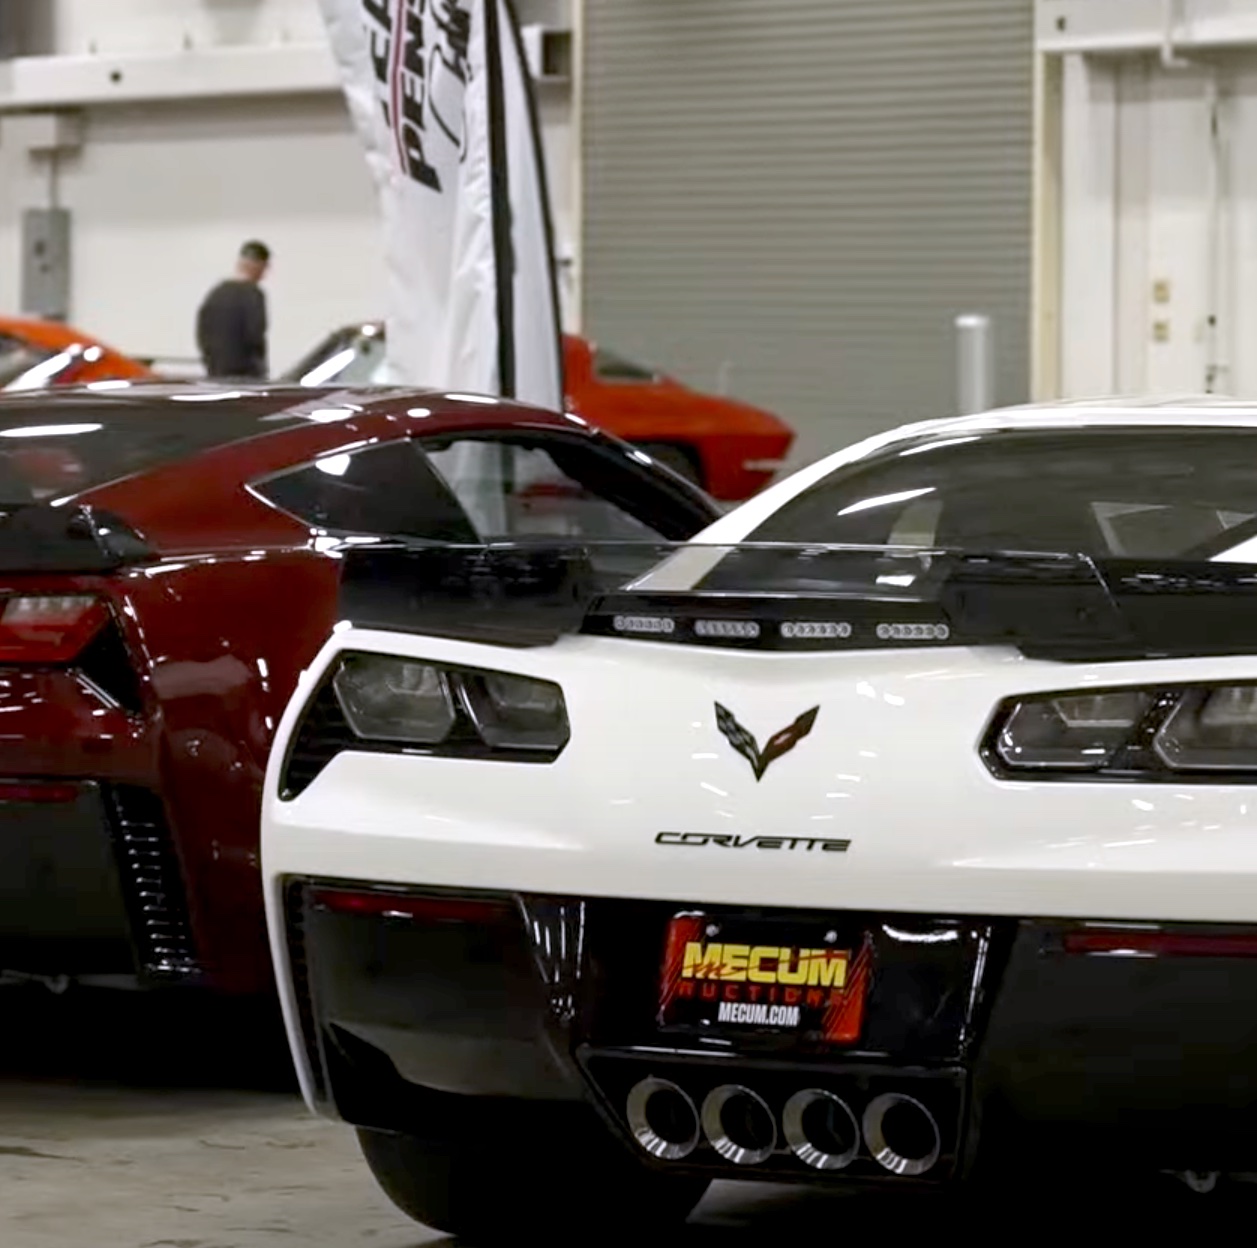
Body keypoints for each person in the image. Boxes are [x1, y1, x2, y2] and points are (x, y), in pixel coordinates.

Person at [195, 240, 271, 379]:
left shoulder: (216, 293)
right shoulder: (253, 294)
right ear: (259, 265)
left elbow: (202, 333)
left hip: (216, 373)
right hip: (246, 377)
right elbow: (255, 336)